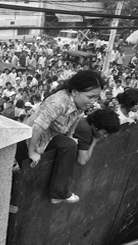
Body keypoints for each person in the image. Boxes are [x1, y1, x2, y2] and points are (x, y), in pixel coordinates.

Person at [16, 70, 103, 204]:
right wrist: (31, 152)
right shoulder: (59, 103)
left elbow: (76, 117)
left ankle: (58, 192)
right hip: (28, 139)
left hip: (48, 137)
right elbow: (37, 127)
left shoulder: (80, 103)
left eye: (96, 97)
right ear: (74, 92)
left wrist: (70, 135)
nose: (93, 101)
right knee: (26, 180)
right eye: (90, 96)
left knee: (69, 145)